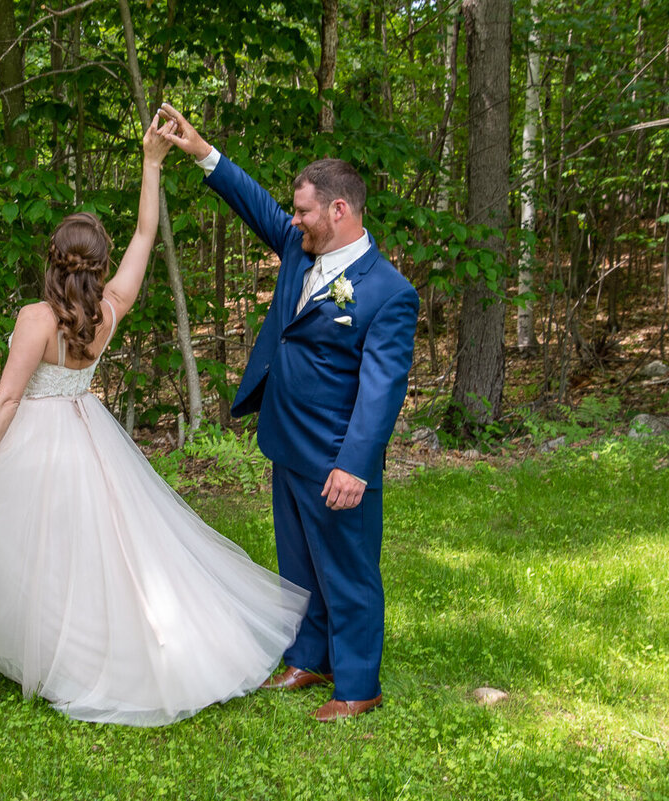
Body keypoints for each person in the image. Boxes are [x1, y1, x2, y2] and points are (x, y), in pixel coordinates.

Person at [0, 114, 308, 728]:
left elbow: (7, 401)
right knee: (92, 550)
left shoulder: (35, 318)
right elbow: (146, 238)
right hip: (88, 437)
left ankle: (57, 655)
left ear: (52, 258)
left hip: (34, 441)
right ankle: (88, 641)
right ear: (98, 266)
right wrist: (150, 166)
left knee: (29, 548)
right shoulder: (109, 310)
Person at [158, 103, 419, 722]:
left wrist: (355, 466)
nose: (293, 218)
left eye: (303, 209)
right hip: (286, 442)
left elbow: (382, 389)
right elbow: (252, 204)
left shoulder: (388, 293)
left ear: (339, 210)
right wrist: (202, 152)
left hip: (335, 457)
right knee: (299, 566)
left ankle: (357, 685)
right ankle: (310, 656)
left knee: (349, 572)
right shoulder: (301, 251)